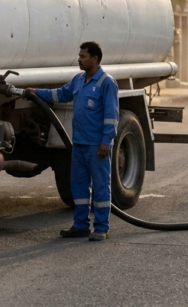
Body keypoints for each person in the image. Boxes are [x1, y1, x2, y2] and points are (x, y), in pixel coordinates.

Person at [26, 41, 119, 241]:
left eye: (83, 56)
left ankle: (101, 228)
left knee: (100, 187)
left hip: (97, 145)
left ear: (95, 59)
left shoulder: (107, 83)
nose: (79, 59)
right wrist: (36, 92)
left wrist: (106, 141)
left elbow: (112, 116)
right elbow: (60, 94)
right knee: (79, 186)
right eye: (79, 56)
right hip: (79, 144)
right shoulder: (78, 80)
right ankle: (81, 226)